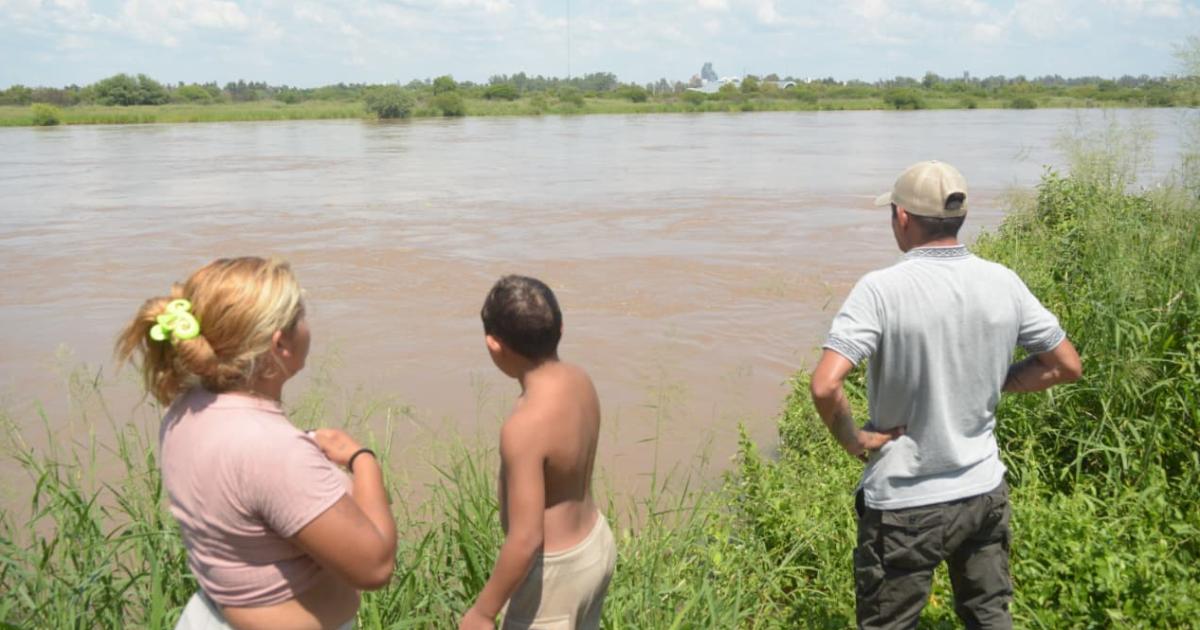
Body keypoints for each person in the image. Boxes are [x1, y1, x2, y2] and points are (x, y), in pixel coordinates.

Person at [809, 162, 1083, 629]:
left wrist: (855, 440)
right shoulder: (1004, 281)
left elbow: (824, 384)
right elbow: (1065, 365)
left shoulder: (881, 289)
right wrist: (993, 378)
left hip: (904, 503)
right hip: (983, 492)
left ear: (902, 217)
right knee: (989, 616)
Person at [116, 257, 396, 630]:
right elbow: (375, 567)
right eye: (301, 317)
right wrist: (363, 460)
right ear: (280, 344)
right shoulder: (273, 451)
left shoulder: (185, 408)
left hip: (209, 616)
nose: (307, 327)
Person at [460, 275, 616, 630]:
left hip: (555, 575)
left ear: (493, 345)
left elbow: (526, 537)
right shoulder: (580, 379)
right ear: (560, 328)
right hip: (595, 544)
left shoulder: (524, 426)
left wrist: (482, 612)